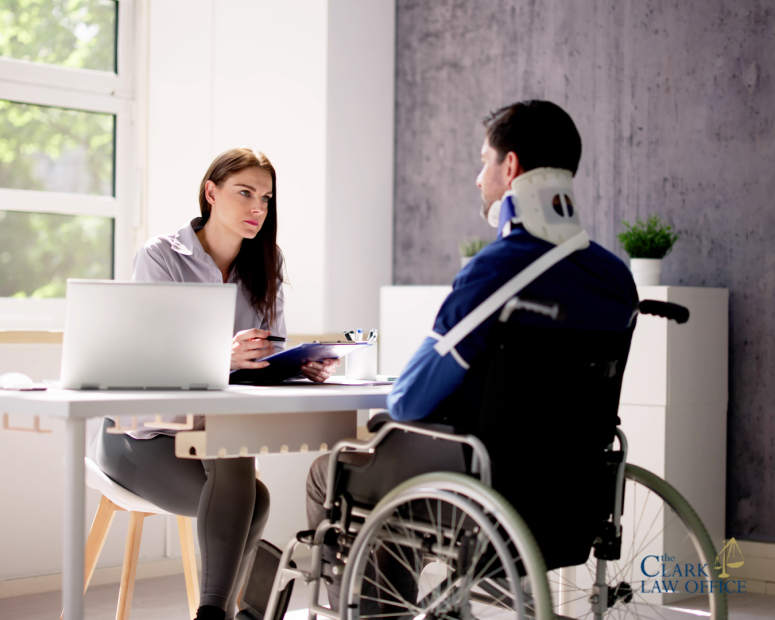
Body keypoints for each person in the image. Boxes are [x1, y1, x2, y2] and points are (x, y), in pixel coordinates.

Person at [305, 100, 639, 609]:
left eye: (484, 161)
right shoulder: (617, 280)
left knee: (334, 468)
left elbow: (408, 403)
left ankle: (375, 610)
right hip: (570, 495)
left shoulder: (497, 271)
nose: (477, 178)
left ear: (510, 168)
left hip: (480, 485)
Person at [96, 148, 339, 620]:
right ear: (211, 193)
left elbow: (267, 350)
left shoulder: (266, 261)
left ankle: (213, 615)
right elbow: (141, 359)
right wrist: (219, 356)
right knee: (252, 493)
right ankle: (227, 614)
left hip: (208, 434)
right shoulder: (161, 257)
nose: (257, 209)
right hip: (136, 436)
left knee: (238, 461)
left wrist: (294, 363)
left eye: (266, 199)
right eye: (245, 193)